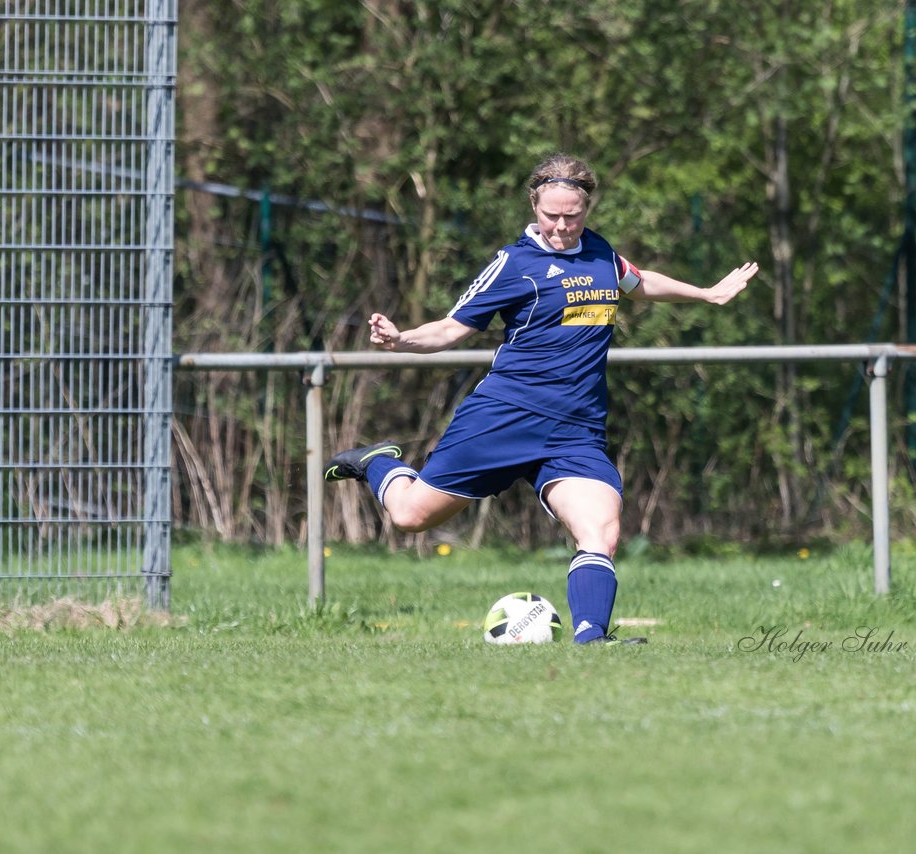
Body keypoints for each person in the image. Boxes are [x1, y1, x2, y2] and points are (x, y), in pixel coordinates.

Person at [325, 154, 758, 644]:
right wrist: (401, 340)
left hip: (576, 429)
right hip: (506, 416)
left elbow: (638, 283)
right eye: (551, 215)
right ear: (535, 205)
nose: (561, 226)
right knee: (409, 517)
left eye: (572, 215)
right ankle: (379, 461)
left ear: (587, 208)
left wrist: (707, 293)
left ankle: (592, 639)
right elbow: (450, 328)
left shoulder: (600, 253)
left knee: (600, 532)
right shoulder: (514, 264)